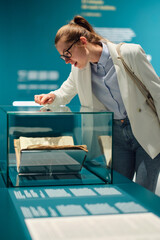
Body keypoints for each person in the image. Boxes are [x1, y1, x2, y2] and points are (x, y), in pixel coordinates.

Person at [34, 15, 160, 193]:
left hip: (145, 131)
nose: (67, 61)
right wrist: (52, 97)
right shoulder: (80, 68)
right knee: (117, 189)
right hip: (115, 134)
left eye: (67, 54)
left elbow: (157, 92)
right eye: (63, 57)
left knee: (143, 191)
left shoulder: (129, 53)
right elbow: (66, 90)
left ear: (83, 42)